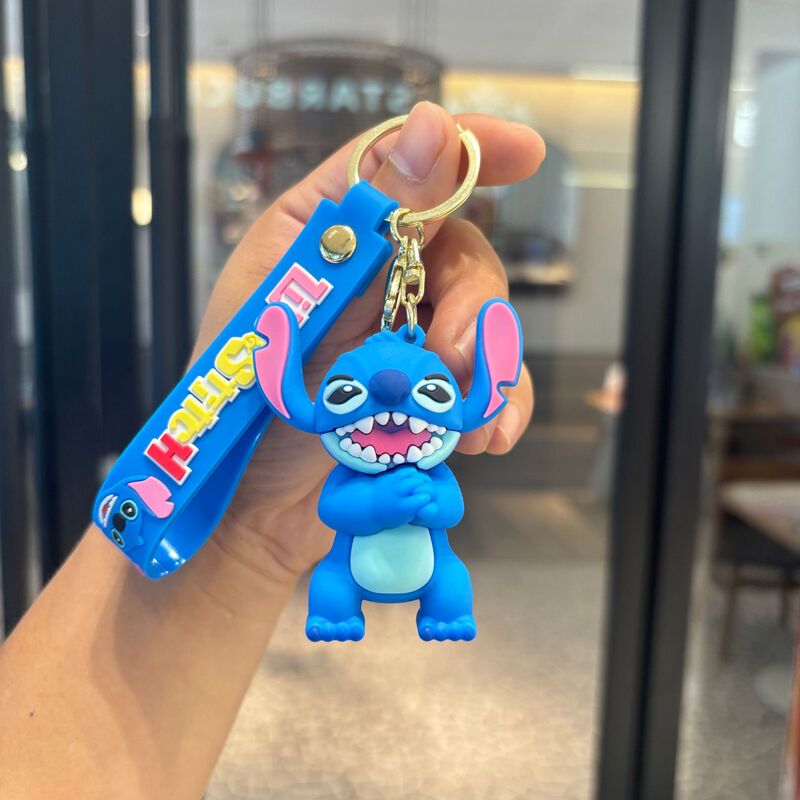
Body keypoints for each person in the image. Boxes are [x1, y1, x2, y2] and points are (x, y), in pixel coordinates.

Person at [0, 102, 542, 799]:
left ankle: (444, 608)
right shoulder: (346, 464)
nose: (387, 403)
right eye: (348, 394)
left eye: (431, 396)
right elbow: (339, 508)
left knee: (449, 582)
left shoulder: (411, 463)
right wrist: (372, 504)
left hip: (412, 563)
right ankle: (336, 610)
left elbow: (448, 506)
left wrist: (416, 503)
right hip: (332, 553)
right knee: (334, 584)